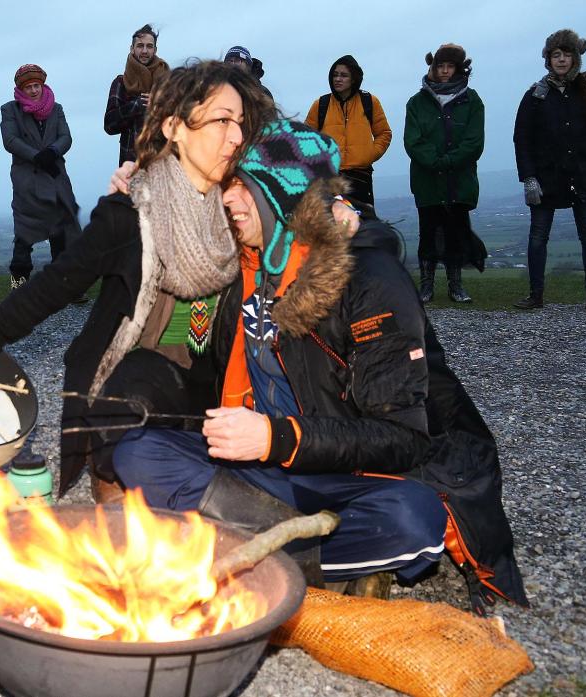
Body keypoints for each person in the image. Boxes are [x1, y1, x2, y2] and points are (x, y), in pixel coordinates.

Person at [112, 120, 528, 608]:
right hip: (268, 472)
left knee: (415, 522)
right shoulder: (245, 266)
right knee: (136, 452)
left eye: (242, 187)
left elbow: (402, 437)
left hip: (348, 474)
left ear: (283, 199)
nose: (228, 200)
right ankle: (285, 552)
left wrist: (276, 436)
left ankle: (248, 553)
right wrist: (144, 195)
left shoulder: (369, 280)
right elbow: (181, 270)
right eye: (227, 187)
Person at [0, 61, 275, 501]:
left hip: (211, 390)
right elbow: (51, 288)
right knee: (142, 384)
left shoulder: (242, 209)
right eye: (221, 121)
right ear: (175, 127)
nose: (236, 136)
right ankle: (118, 482)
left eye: (240, 124)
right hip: (129, 396)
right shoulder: (130, 214)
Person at [513, 29, 586, 312]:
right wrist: (529, 178)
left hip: (584, 175)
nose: (561, 60)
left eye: (566, 54)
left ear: (575, 58)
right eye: (555, 55)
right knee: (538, 237)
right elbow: (522, 139)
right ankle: (535, 295)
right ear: (548, 59)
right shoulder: (535, 95)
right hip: (547, 178)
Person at [404, 44, 487, 304]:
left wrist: (448, 161)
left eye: (449, 66)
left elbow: (474, 141)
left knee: (456, 232)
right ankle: (426, 286)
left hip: (459, 181)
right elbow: (412, 140)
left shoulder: (472, 100)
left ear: (459, 69)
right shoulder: (416, 102)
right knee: (427, 231)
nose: (444, 71)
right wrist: (435, 162)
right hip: (427, 181)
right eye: (440, 66)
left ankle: (456, 286)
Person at [1, 64, 82, 292]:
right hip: (27, 178)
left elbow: (66, 136)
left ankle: (63, 287)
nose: (34, 90)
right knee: (25, 234)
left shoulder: (56, 109)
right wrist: (37, 156)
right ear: (21, 89)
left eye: (37, 85)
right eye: (29, 87)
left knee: (61, 232)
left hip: (55, 177)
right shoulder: (9, 110)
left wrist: (53, 152)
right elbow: (10, 140)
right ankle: (18, 286)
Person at [305, 55, 392, 206]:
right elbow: (306, 139)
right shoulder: (321, 104)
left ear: (354, 79)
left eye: (344, 75)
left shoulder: (369, 101)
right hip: (329, 177)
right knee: (331, 226)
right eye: (335, 75)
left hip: (361, 176)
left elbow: (384, 133)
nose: (338, 79)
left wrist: (369, 154)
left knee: (363, 224)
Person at [104, 24, 170, 166]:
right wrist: (136, 106)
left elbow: (181, 120)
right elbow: (109, 125)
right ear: (132, 49)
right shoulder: (121, 82)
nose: (145, 51)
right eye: (140, 46)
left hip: (164, 163)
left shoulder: (168, 82)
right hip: (132, 165)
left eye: (149, 46)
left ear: (155, 50)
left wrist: (160, 105)